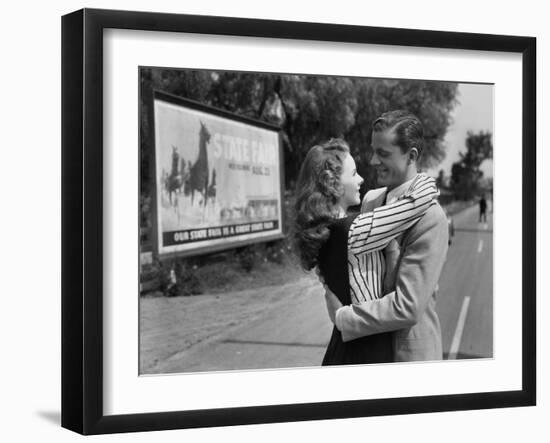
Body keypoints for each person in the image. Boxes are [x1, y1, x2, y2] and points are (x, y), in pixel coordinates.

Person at [292, 137, 439, 365]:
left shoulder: (324, 232)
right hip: (365, 352)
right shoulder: (354, 231)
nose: (361, 179)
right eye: (353, 174)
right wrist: (422, 176)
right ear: (332, 182)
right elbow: (416, 202)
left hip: (344, 346)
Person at [323, 110, 449, 362]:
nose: (372, 160)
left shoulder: (431, 218)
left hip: (406, 358)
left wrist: (344, 317)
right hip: (366, 351)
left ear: (411, 155)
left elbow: (408, 306)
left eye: (383, 153)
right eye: (373, 150)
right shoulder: (371, 200)